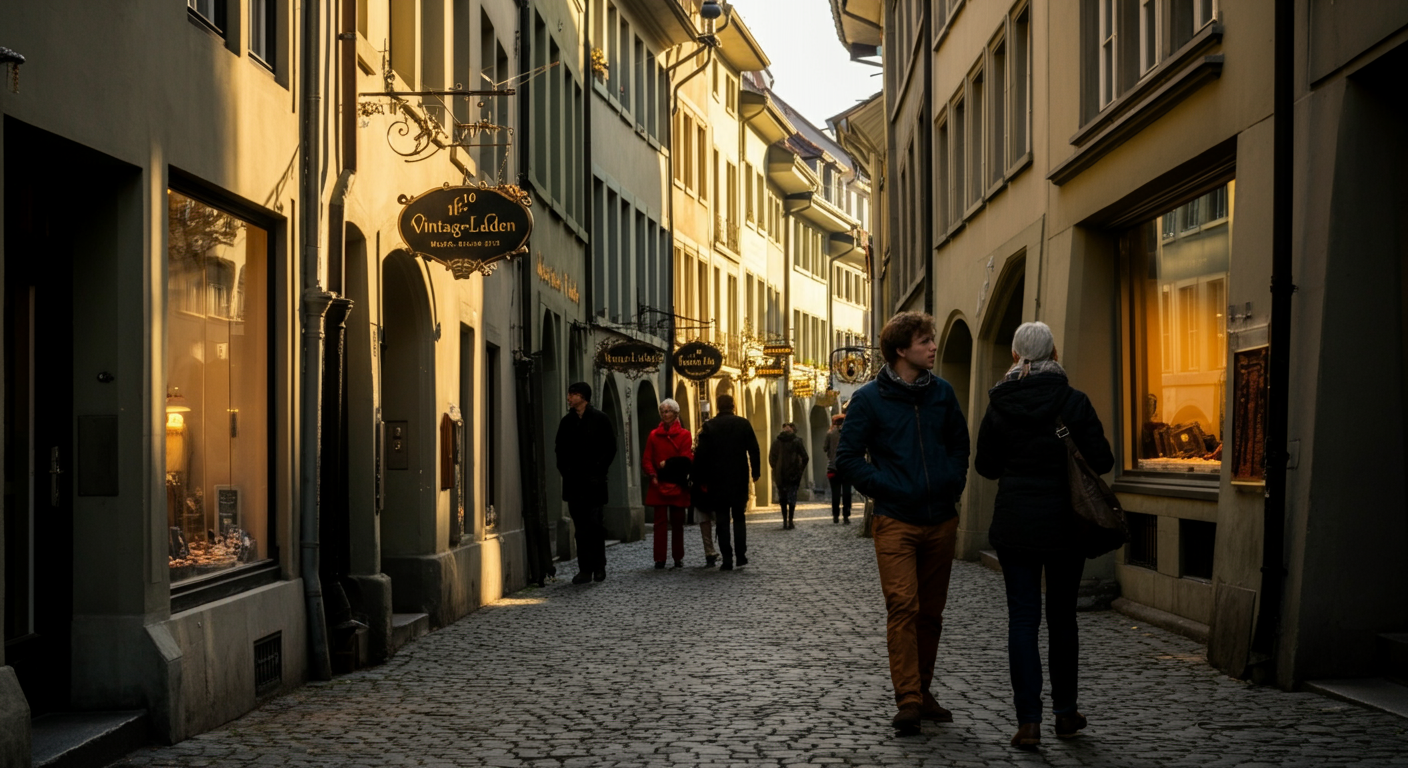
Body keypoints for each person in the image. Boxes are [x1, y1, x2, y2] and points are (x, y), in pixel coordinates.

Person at [975, 321, 1113, 749]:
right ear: (1054, 354)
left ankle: (1028, 722)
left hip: (1016, 525)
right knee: (1062, 617)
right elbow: (1103, 460)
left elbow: (985, 467)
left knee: (1022, 620)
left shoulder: (999, 403)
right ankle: (1066, 712)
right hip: (1066, 524)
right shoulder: (1073, 401)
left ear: (1015, 357)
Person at [835, 311, 970, 735]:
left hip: (941, 519)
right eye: (924, 341)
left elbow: (959, 446)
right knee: (903, 607)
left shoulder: (942, 392)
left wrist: (951, 483)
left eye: (932, 339)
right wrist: (889, 488)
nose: (933, 347)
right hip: (895, 521)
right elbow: (848, 459)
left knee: (930, 613)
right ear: (900, 350)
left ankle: (923, 692)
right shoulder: (869, 399)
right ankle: (908, 698)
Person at [554, 381, 618, 584]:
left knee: (595, 525)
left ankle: (599, 567)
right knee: (581, 528)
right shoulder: (567, 422)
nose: (569, 398)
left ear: (582, 397)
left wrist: (598, 468)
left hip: (594, 483)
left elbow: (610, 447)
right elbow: (560, 451)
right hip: (574, 484)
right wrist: (567, 472)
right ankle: (585, 570)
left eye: (572, 394)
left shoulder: (600, 419)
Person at [692, 394, 759, 571]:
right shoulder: (743, 424)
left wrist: (700, 478)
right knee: (739, 517)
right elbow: (754, 449)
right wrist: (756, 472)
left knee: (722, 519)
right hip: (738, 477)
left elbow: (701, 455)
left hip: (717, 479)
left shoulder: (709, 426)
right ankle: (741, 555)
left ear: (718, 406)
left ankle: (727, 559)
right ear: (733, 405)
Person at [642, 398, 693, 569]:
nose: (665, 414)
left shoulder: (685, 435)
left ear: (676, 413)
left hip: (677, 482)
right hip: (659, 483)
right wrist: (652, 474)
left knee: (678, 522)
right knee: (659, 523)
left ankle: (678, 557)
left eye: (668, 411)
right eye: (663, 411)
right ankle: (659, 558)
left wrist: (668, 464)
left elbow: (686, 459)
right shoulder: (653, 436)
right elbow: (647, 459)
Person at [769, 423, 809, 529]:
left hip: (784, 474)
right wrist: (799, 470)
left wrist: (776, 469)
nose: (787, 429)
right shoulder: (783, 442)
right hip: (789, 474)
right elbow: (805, 457)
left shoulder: (781, 442)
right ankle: (788, 521)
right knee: (789, 498)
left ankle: (787, 521)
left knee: (785, 499)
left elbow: (772, 458)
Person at [824, 413, 853, 524]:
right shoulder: (849, 433)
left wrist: (831, 454)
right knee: (847, 493)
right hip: (847, 468)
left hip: (833, 468)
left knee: (835, 494)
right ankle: (846, 516)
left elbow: (825, 448)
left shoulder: (830, 433)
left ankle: (835, 515)